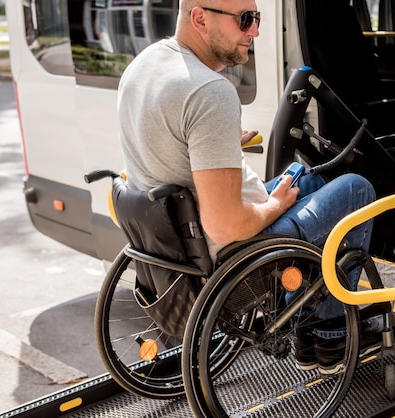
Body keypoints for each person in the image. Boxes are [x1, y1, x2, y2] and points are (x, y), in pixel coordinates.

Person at [117, 0, 379, 374]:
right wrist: (273, 205)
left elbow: (166, 145)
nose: (254, 31)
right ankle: (332, 336)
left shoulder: (144, 66)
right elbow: (228, 226)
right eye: (245, 20)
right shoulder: (209, 91)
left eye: (256, 19)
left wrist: (218, 146)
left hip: (178, 245)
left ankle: (306, 327)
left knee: (311, 178)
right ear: (200, 18)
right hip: (230, 252)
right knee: (355, 189)